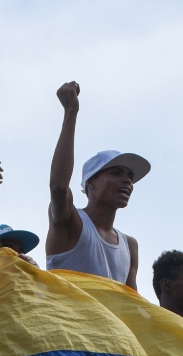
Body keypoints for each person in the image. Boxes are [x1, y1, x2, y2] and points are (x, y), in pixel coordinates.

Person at [45, 82, 150, 289]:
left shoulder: (130, 246)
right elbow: (58, 186)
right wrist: (71, 112)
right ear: (90, 183)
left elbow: (131, 305)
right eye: (116, 172)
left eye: (130, 176)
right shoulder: (70, 221)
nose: (127, 180)